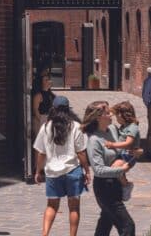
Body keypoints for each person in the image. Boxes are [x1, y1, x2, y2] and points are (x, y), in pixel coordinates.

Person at [33, 95, 91, 236]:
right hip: (73, 171)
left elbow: (41, 153)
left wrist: (38, 170)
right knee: (74, 207)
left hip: (53, 172)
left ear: (53, 108)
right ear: (68, 109)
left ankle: (45, 233)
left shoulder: (46, 127)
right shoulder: (76, 126)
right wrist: (87, 170)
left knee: (52, 205)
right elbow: (81, 152)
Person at [82, 101, 135, 236]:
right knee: (127, 226)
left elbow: (121, 148)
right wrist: (122, 169)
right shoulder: (94, 140)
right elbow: (98, 170)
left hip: (116, 185)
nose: (111, 114)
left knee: (105, 223)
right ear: (98, 117)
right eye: (107, 113)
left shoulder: (112, 129)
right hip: (105, 188)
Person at [103, 101, 141, 199]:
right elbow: (112, 111)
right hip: (122, 154)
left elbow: (128, 142)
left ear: (123, 115)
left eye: (117, 116)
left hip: (129, 155)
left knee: (115, 167)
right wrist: (110, 114)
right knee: (113, 168)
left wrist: (113, 145)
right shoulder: (124, 126)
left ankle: (126, 185)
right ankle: (119, 186)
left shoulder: (133, 127)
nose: (116, 118)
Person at [32, 67, 55, 138]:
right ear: (42, 83)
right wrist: (43, 121)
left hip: (49, 119)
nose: (49, 81)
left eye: (49, 79)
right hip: (40, 120)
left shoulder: (51, 94)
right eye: (46, 80)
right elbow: (35, 110)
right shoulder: (38, 95)